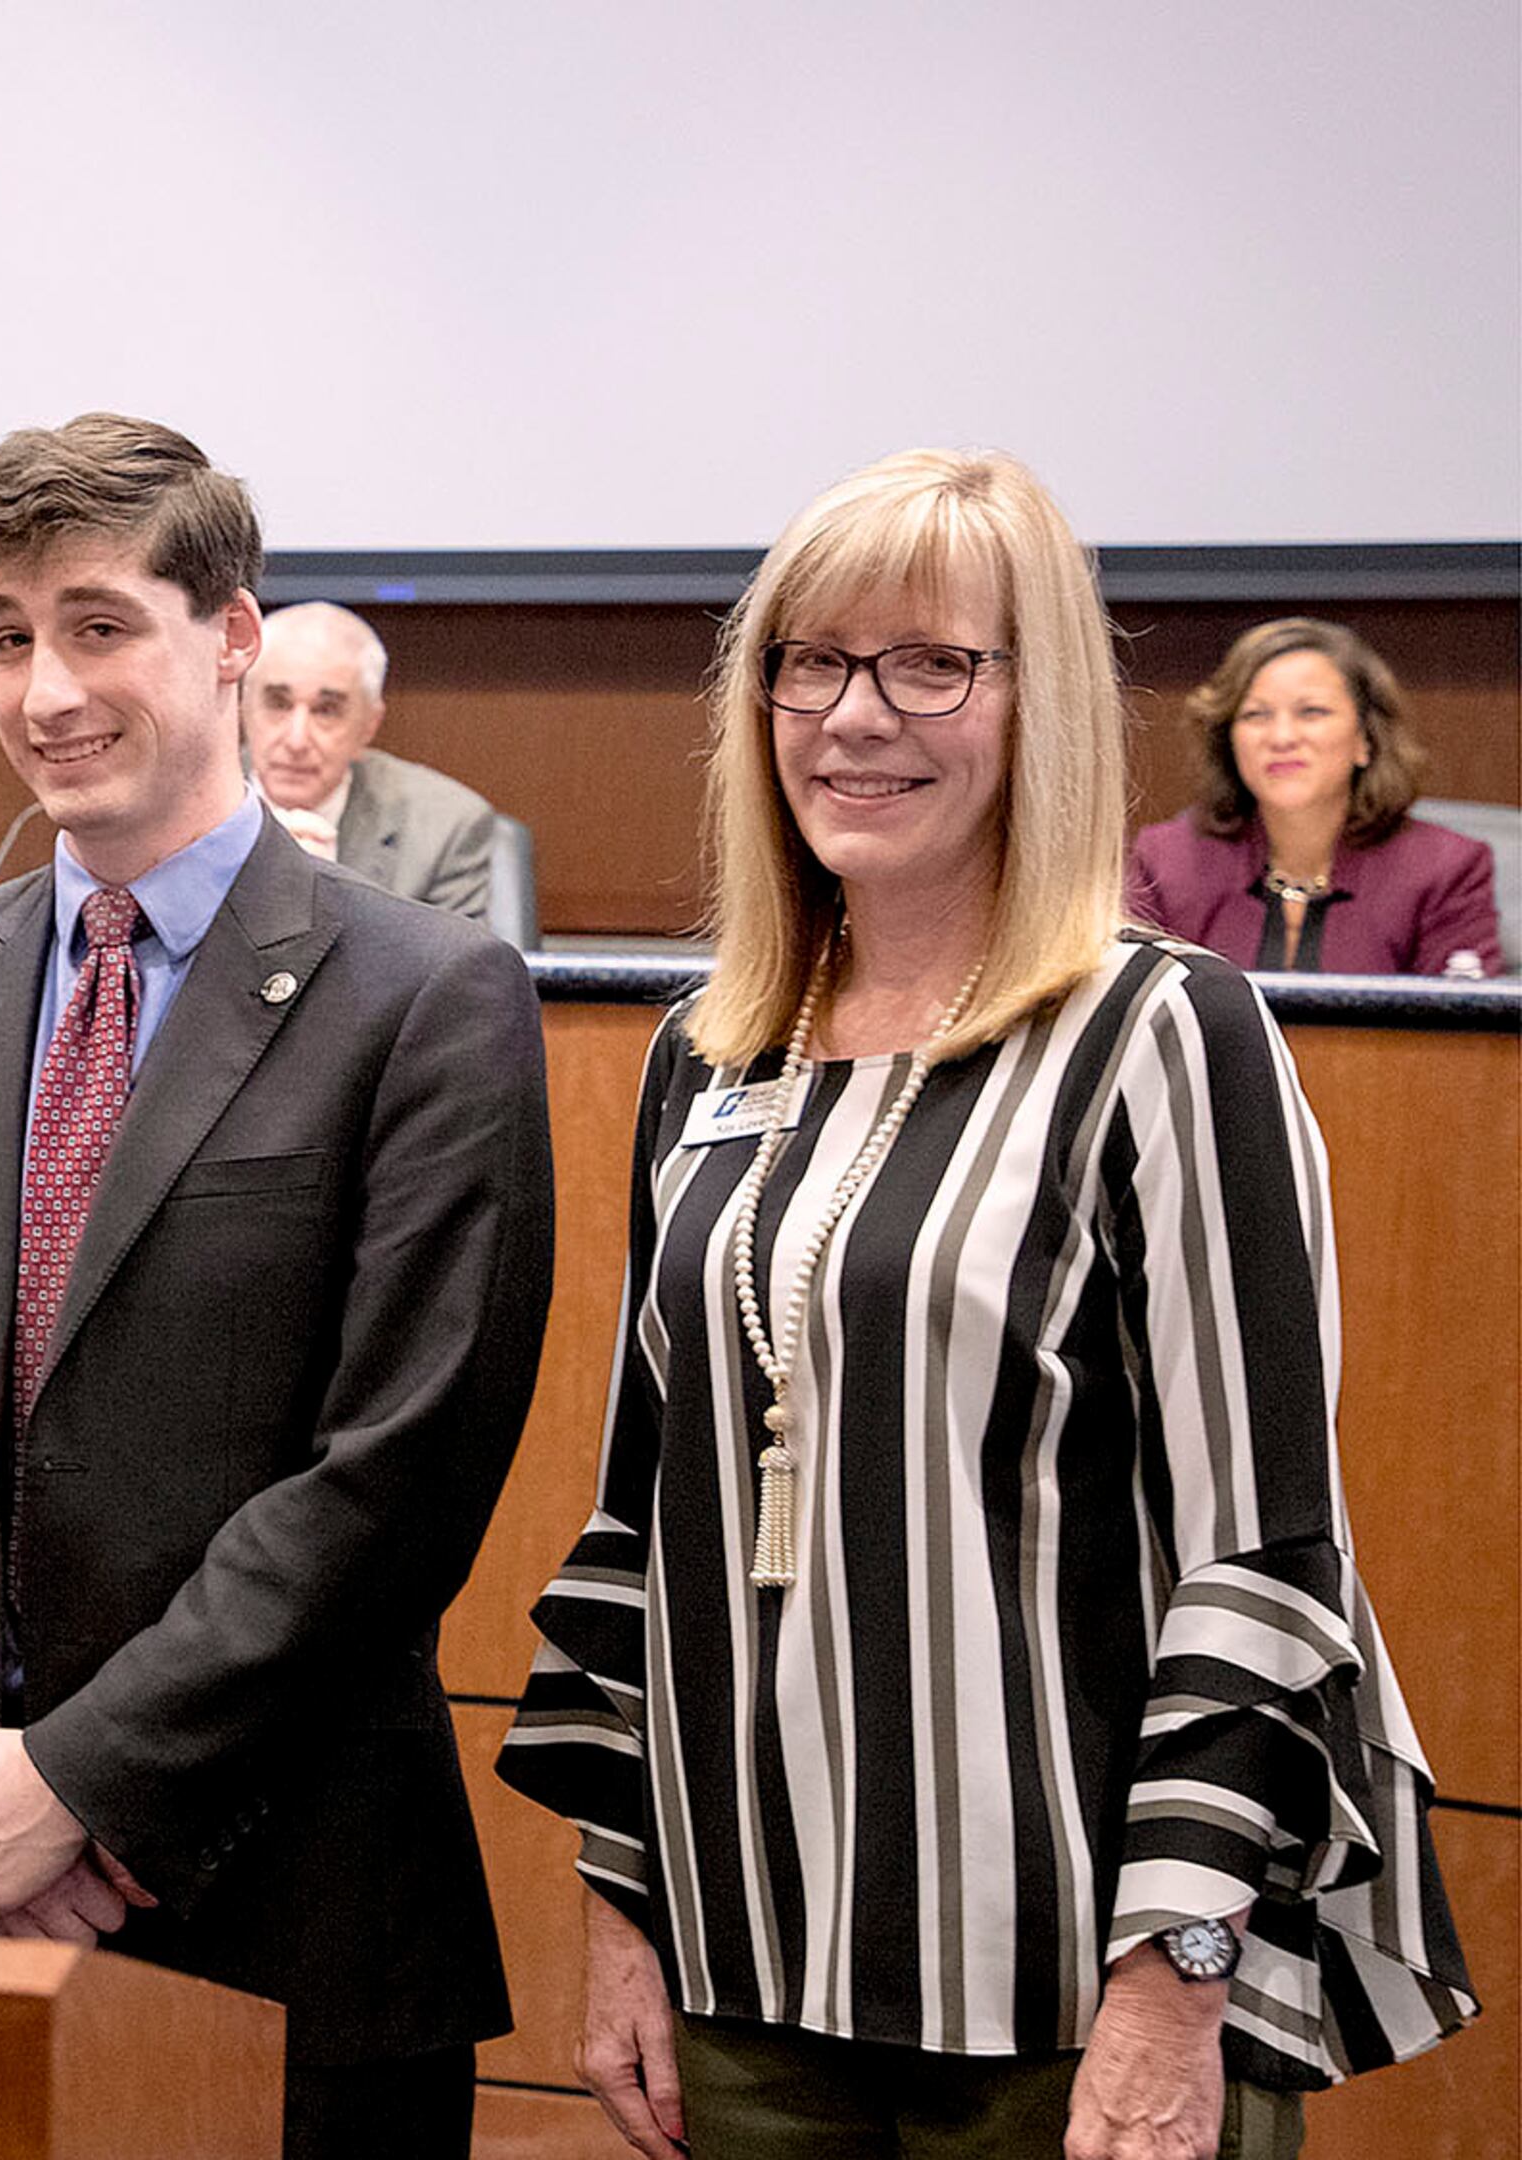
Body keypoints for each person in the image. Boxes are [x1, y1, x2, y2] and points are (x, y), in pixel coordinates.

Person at [500, 452, 1476, 2160]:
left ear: (1047, 708)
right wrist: (621, 1911)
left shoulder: (1163, 1034)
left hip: (1074, 2000)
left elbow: (1259, 1560)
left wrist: (1178, 1985)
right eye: (810, 660)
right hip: (747, 1969)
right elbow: (644, 1521)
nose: (853, 715)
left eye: (929, 663)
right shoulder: (712, 1050)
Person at [0, 414, 555, 2159]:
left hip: (281, 1907)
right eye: (3, 633)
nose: (46, 687)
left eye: (99, 624)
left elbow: (397, 1475)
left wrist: (79, 1790)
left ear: (233, 635)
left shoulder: (428, 998)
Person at [1125, 617, 1501, 977]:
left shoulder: (1446, 869)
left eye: (1311, 712)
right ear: (1230, 740)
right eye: (1256, 715)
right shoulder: (1165, 863)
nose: (1282, 737)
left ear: (1365, 739)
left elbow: (1464, 1038)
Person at [240, 600, 501, 921]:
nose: (296, 741)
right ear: (243, 706)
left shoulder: (446, 827)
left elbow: (458, 970)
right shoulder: (177, 806)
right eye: (278, 704)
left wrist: (327, 897)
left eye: (326, 711)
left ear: (369, 726)